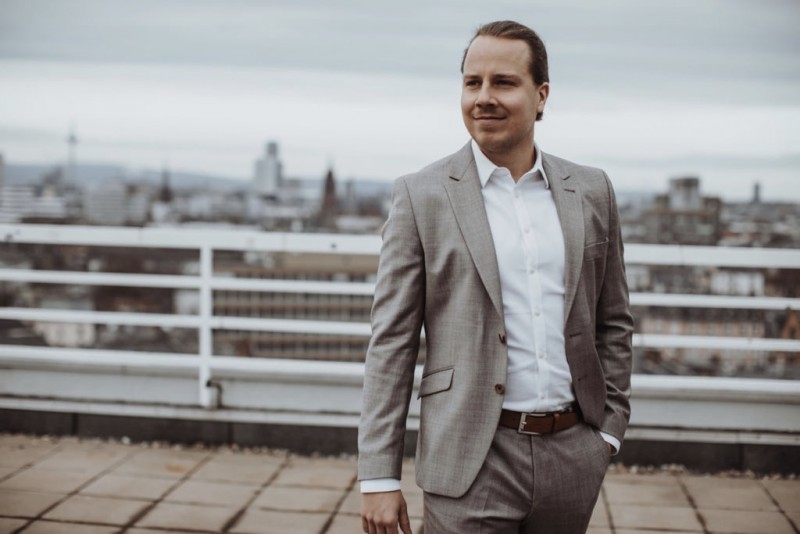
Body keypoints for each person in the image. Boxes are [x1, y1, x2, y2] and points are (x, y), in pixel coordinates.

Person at [358, 20, 633, 534]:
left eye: (503, 82)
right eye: (472, 82)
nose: (483, 97)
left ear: (541, 95)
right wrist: (378, 475)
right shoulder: (422, 196)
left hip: (573, 453)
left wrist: (608, 431)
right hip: (468, 457)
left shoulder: (593, 190)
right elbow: (391, 343)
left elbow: (613, 318)